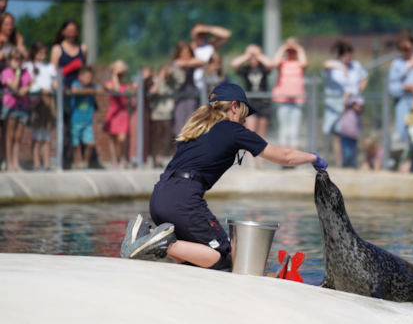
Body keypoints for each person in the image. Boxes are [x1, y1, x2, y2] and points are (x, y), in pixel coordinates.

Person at [120, 83, 328, 268]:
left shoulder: (196, 128)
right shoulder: (233, 130)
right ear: (235, 107)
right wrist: (313, 158)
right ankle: (157, 240)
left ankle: (150, 237)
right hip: (183, 200)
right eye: (245, 112)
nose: (245, 119)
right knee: (223, 257)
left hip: (160, 196)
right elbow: (285, 157)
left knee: (192, 257)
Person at [323, 40, 368, 168]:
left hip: (352, 106)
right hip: (336, 106)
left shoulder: (356, 65)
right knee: (337, 134)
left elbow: (365, 76)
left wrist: (358, 92)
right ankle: (340, 164)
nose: (349, 58)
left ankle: (351, 163)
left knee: (351, 134)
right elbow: (325, 64)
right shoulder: (335, 65)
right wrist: (341, 67)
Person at [50, 19, 88, 170]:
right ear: (63, 31)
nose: (72, 33)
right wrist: (61, 88)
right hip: (64, 94)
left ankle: (80, 161)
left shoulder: (82, 48)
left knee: (81, 126)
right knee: (65, 127)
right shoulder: (57, 49)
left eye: (74, 30)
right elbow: (53, 73)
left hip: (79, 95)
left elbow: (85, 71)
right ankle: (65, 161)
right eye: (69, 30)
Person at [231, 44, 273, 169]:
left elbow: (271, 64)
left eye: (256, 56)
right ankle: (251, 163)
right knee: (250, 133)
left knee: (261, 134)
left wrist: (258, 55)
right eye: (251, 56)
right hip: (250, 102)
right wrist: (248, 54)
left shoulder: (264, 68)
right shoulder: (246, 69)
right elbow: (234, 63)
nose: (253, 58)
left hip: (264, 103)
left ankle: (261, 161)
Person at [271, 38, 308, 157]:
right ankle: (284, 158)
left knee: (294, 130)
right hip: (282, 100)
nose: (291, 52)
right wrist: (283, 47)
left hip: (297, 100)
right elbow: (274, 63)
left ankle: (294, 157)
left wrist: (298, 47)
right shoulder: (282, 62)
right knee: (284, 130)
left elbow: (305, 63)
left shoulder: (299, 64)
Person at [23, 42, 57, 171]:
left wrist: (56, 86)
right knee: (37, 136)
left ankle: (47, 164)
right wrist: (42, 90)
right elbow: (30, 83)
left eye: (44, 53)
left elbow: (54, 81)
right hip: (37, 101)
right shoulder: (28, 66)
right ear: (34, 53)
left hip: (49, 101)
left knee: (47, 136)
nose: (42, 56)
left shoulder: (50, 67)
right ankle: (37, 164)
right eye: (40, 53)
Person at [2, 49, 32, 172]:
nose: (17, 63)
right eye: (15, 60)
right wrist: (18, 73)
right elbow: (14, 86)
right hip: (10, 107)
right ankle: (9, 163)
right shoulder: (6, 72)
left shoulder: (26, 72)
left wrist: (27, 88)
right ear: (10, 61)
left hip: (22, 106)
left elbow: (32, 83)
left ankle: (16, 163)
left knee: (18, 136)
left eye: (19, 60)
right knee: (9, 136)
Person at [149, 65, 183, 168]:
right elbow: (153, 91)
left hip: (168, 115)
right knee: (156, 139)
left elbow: (181, 79)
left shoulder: (172, 83)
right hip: (156, 115)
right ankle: (155, 159)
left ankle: (160, 158)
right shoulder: (155, 80)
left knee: (166, 139)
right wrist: (160, 77)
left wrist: (172, 72)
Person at [172, 41, 204, 138]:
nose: (187, 55)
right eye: (184, 53)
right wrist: (189, 62)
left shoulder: (191, 64)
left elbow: (202, 62)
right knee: (180, 124)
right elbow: (177, 64)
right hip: (180, 98)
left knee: (192, 122)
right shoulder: (175, 63)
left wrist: (188, 62)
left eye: (188, 53)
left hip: (191, 97)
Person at [104, 60, 131, 170]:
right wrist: (114, 76)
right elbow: (115, 89)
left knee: (122, 139)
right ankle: (114, 162)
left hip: (123, 113)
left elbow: (128, 100)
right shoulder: (109, 84)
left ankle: (123, 158)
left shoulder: (127, 85)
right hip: (113, 113)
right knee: (113, 139)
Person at [71, 67, 100, 169]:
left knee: (90, 143)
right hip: (76, 121)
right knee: (75, 144)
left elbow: (100, 90)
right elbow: (74, 91)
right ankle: (75, 162)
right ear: (80, 77)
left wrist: (89, 90)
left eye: (90, 78)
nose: (88, 80)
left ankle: (85, 162)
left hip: (88, 122)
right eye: (86, 77)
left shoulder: (93, 86)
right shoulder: (76, 84)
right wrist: (88, 91)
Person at [190, 22, 232, 92]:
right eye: (199, 34)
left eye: (203, 34)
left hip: (211, 86)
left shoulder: (210, 45)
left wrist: (206, 28)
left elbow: (227, 35)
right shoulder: (189, 49)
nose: (201, 36)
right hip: (195, 87)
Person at [339, 94, 364, 168]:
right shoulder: (347, 110)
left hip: (354, 138)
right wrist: (347, 95)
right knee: (347, 155)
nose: (359, 107)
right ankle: (344, 167)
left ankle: (352, 168)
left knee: (353, 156)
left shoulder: (359, 113)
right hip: (346, 137)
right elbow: (344, 102)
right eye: (357, 105)